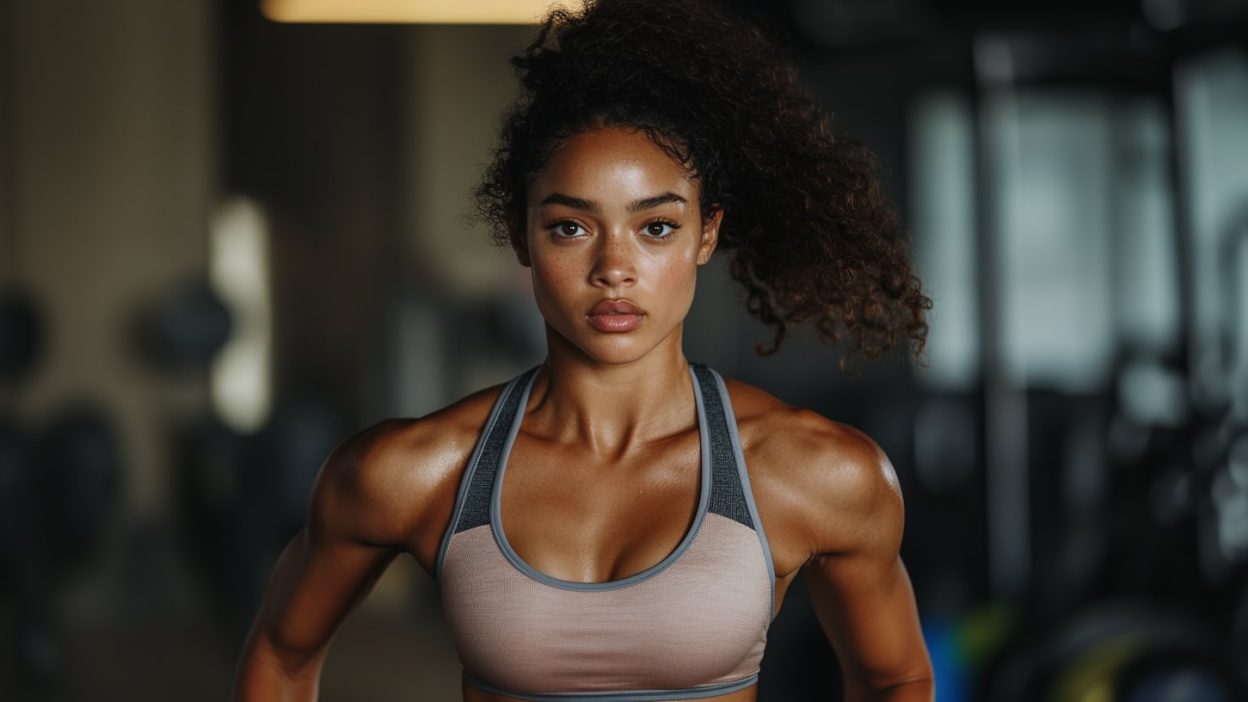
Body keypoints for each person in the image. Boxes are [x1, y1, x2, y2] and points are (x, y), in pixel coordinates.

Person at [234, 0, 935, 699]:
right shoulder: (411, 473)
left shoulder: (818, 474)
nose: (614, 268)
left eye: (655, 227)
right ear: (521, 235)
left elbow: (896, 677)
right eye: (571, 227)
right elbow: (281, 657)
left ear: (707, 233)